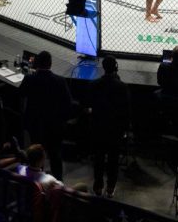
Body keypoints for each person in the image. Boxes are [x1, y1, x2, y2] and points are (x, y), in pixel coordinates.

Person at [18, 51, 73, 180]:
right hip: (54, 126)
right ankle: (58, 183)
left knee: (36, 154)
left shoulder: (30, 78)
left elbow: (21, 93)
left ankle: (36, 180)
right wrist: (62, 122)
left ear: (37, 63)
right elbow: (68, 105)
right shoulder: (60, 81)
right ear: (50, 64)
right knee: (55, 155)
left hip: (35, 125)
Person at [86, 56, 130, 198]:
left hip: (98, 129)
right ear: (116, 67)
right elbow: (126, 112)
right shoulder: (122, 87)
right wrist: (124, 130)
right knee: (113, 160)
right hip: (115, 131)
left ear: (103, 67)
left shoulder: (94, 85)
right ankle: (110, 188)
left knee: (98, 159)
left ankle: (98, 187)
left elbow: (88, 106)